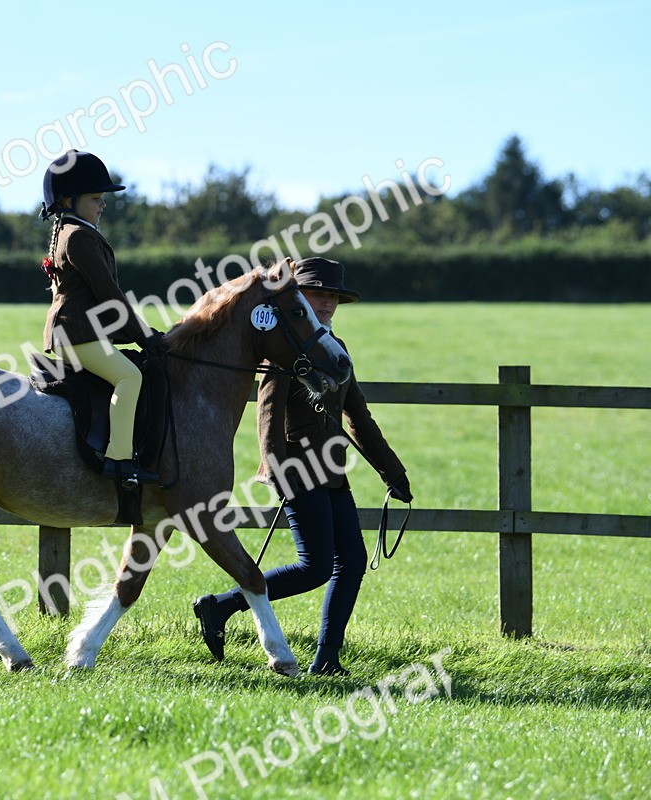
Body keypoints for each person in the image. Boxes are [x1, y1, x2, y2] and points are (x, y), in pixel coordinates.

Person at [191, 257, 412, 675]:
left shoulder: (336, 350)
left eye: (332, 296)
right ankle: (221, 606)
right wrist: (274, 468)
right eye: (317, 294)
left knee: (351, 561)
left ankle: (326, 658)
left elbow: (358, 416)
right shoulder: (287, 346)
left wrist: (393, 473)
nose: (325, 302)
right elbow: (268, 412)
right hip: (295, 469)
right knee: (315, 567)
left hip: (332, 474)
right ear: (301, 299)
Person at [40, 150, 163, 485]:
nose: (103, 204)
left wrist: (138, 333)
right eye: (96, 198)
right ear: (68, 199)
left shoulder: (69, 231)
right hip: (77, 335)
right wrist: (146, 337)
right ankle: (119, 459)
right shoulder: (78, 237)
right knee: (129, 378)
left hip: (80, 332)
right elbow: (109, 294)